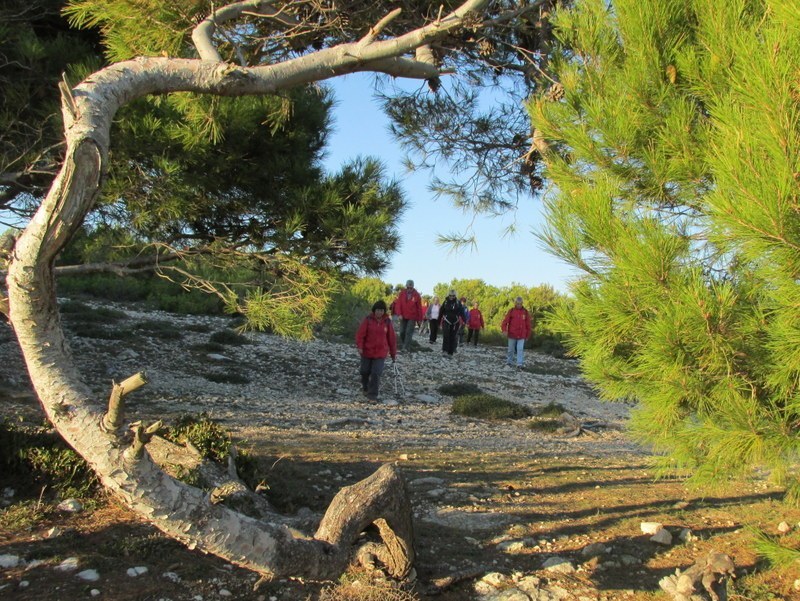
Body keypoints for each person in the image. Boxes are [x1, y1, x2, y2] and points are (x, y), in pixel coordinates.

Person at [355, 300, 397, 403]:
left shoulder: (387, 322)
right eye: (378, 310)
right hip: (367, 351)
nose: (380, 312)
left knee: (376, 373)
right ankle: (365, 387)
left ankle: (372, 396)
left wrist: (393, 353)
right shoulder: (368, 320)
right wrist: (360, 346)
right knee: (364, 371)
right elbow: (360, 335)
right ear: (374, 310)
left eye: (382, 310)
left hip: (380, 353)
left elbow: (391, 339)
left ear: (384, 311)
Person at [394, 279, 424, 352]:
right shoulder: (402, 293)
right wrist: (399, 314)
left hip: (412, 317)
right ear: (406, 286)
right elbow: (398, 304)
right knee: (401, 332)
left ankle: (406, 347)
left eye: (411, 288)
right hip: (403, 316)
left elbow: (419, 308)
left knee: (409, 332)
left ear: (413, 287)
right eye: (408, 287)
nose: (409, 289)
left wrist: (420, 319)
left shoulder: (417, 295)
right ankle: (405, 344)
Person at [501, 296, 532, 367]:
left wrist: (528, 335)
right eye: (517, 303)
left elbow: (528, 324)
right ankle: (509, 362)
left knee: (520, 349)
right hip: (512, 334)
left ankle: (519, 364)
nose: (519, 305)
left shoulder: (525, 312)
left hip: (522, 335)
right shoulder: (511, 311)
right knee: (511, 350)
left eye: (520, 303)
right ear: (515, 303)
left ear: (522, 303)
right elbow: (505, 321)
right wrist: (504, 330)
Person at [439, 290, 463, 356]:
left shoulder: (458, 303)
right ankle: (444, 350)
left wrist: (465, 321)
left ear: (455, 296)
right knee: (446, 336)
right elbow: (441, 311)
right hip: (446, 321)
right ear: (448, 295)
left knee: (453, 337)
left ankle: (450, 352)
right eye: (450, 296)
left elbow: (462, 312)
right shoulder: (446, 302)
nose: (452, 297)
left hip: (455, 322)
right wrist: (438, 322)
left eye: (453, 296)